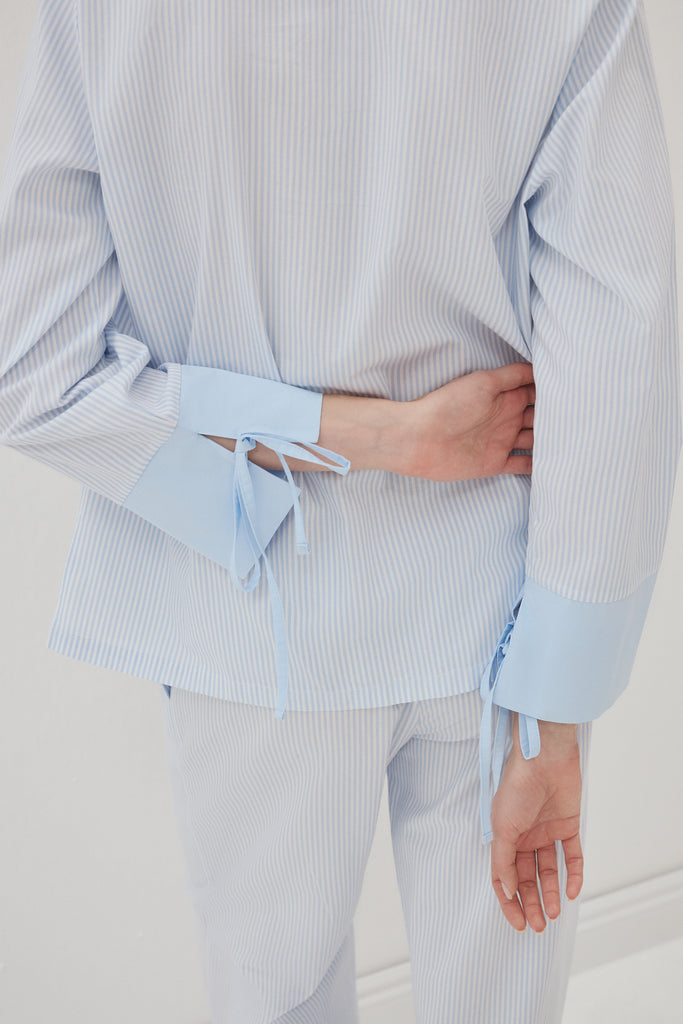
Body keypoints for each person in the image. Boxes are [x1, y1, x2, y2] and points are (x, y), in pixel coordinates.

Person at [0, 0, 679, 1021]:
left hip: (247, 619)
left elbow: (36, 374)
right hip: (498, 624)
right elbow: (619, 329)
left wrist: (361, 433)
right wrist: (553, 699)